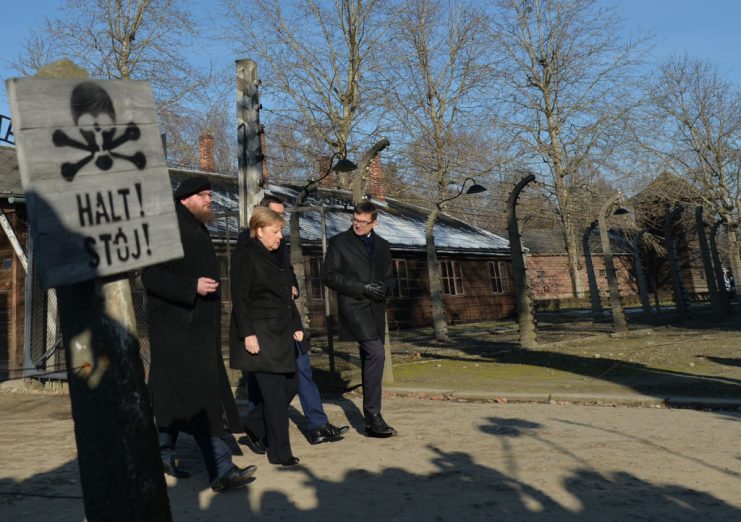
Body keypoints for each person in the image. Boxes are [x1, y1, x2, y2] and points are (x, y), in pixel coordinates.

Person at [142, 175, 257, 492]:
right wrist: (190, 287)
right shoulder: (168, 228)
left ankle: (160, 456)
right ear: (184, 199)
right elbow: (150, 277)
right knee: (201, 398)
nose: (210, 200)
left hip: (195, 331)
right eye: (204, 194)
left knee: (172, 400)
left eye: (209, 194)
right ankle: (221, 469)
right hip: (176, 331)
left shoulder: (196, 227)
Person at [237, 195, 349, 448]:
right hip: (264, 325)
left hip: (286, 317)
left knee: (302, 369)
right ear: (261, 219)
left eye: (283, 216)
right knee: (260, 380)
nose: (282, 221)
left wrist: (293, 286)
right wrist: (249, 331)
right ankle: (260, 429)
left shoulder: (280, 240)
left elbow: (286, 271)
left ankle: (317, 424)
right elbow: (243, 290)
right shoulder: (248, 242)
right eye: (277, 215)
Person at [229, 207, 303, 466]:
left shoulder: (279, 252)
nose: (279, 237)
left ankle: (252, 423)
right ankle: (280, 453)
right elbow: (240, 298)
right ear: (259, 230)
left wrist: (296, 323)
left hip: (282, 331)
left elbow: (286, 290)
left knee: (292, 384)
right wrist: (248, 334)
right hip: (260, 333)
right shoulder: (245, 255)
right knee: (273, 396)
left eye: (280, 231)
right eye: (275, 232)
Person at [323, 200, 397, 437]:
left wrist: (383, 288)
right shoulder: (339, 243)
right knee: (376, 352)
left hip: (376, 308)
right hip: (354, 306)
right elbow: (329, 275)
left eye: (363, 223)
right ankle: (374, 416)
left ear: (374, 223)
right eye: (355, 220)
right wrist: (362, 287)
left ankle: (370, 419)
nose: (358, 225)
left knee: (371, 358)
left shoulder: (384, 245)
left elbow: (390, 278)